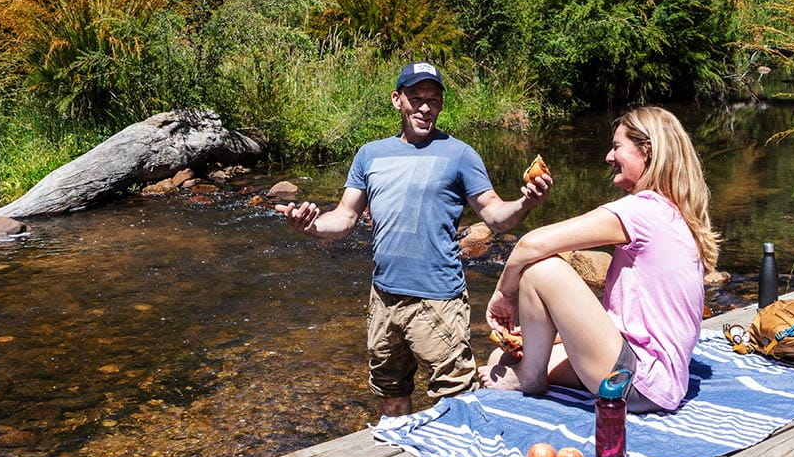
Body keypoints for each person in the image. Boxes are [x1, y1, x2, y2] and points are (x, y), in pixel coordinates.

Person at [276, 62, 552, 417]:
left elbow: (496, 217)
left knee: (455, 397)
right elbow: (344, 218)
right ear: (397, 100)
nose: (425, 107)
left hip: (438, 299)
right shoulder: (370, 155)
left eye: (433, 100)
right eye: (416, 98)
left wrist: (527, 201)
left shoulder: (460, 155)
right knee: (391, 392)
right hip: (384, 298)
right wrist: (311, 225)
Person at [480, 106, 719, 413]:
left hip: (638, 380)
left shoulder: (643, 211)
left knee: (542, 268)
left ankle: (530, 378)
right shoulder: (671, 212)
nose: (608, 156)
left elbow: (530, 244)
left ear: (647, 150)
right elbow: (632, 320)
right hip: (649, 376)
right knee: (501, 361)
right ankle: (530, 371)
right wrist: (541, 333)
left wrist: (504, 295)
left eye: (617, 147)